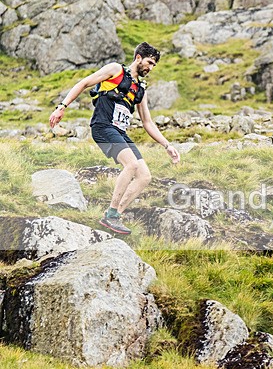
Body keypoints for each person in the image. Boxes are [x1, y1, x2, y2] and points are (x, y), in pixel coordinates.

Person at [49, 42, 180, 235]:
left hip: (120, 132)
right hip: (102, 127)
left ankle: (114, 216)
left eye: (154, 65)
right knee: (132, 165)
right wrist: (62, 106)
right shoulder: (115, 70)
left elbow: (148, 122)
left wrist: (167, 145)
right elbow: (84, 83)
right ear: (138, 58)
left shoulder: (140, 89)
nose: (150, 68)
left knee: (144, 176)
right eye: (149, 62)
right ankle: (111, 213)